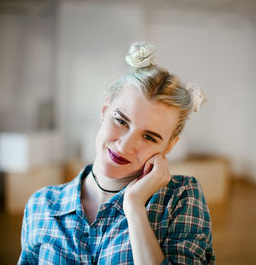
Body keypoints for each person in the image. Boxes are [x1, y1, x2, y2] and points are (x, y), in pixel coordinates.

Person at [18, 41, 215, 264]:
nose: (124, 146)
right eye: (121, 120)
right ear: (104, 111)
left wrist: (134, 205)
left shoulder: (180, 197)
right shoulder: (41, 204)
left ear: (169, 146)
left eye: (149, 137)